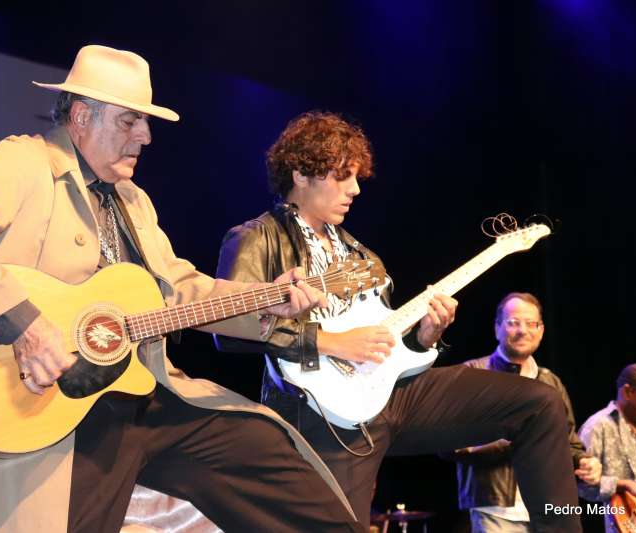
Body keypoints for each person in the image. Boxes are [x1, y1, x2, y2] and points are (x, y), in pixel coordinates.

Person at [0, 46, 363, 533]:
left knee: (267, 453)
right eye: (130, 121)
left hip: (143, 391)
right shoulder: (26, 161)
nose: (145, 136)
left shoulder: (133, 200)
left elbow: (181, 291)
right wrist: (26, 328)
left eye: (145, 123)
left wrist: (270, 300)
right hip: (62, 408)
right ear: (81, 117)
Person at [214, 111, 584, 532]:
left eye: (357, 178)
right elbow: (230, 331)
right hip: (320, 416)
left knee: (539, 404)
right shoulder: (255, 238)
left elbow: (388, 346)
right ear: (301, 174)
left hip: (391, 394)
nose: (355, 189)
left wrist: (424, 338)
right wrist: (330, 342)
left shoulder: (363, 258)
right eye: (343, 176)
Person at [452, 293, 601, 533]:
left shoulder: (550, 381)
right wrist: (517, 439)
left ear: (541, 330)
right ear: (497, 328)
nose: (523, 330)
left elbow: (569, 442)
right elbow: (453, 444)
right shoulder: (473, 374)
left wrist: (584, 461)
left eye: (531, 323)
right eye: (513, 322)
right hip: (496, 510)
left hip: (549, 508)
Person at [579, 363, 636, 532]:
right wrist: (623, 485)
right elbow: (581, 486)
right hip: (615, 523)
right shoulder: (597, 426)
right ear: (628, 392)